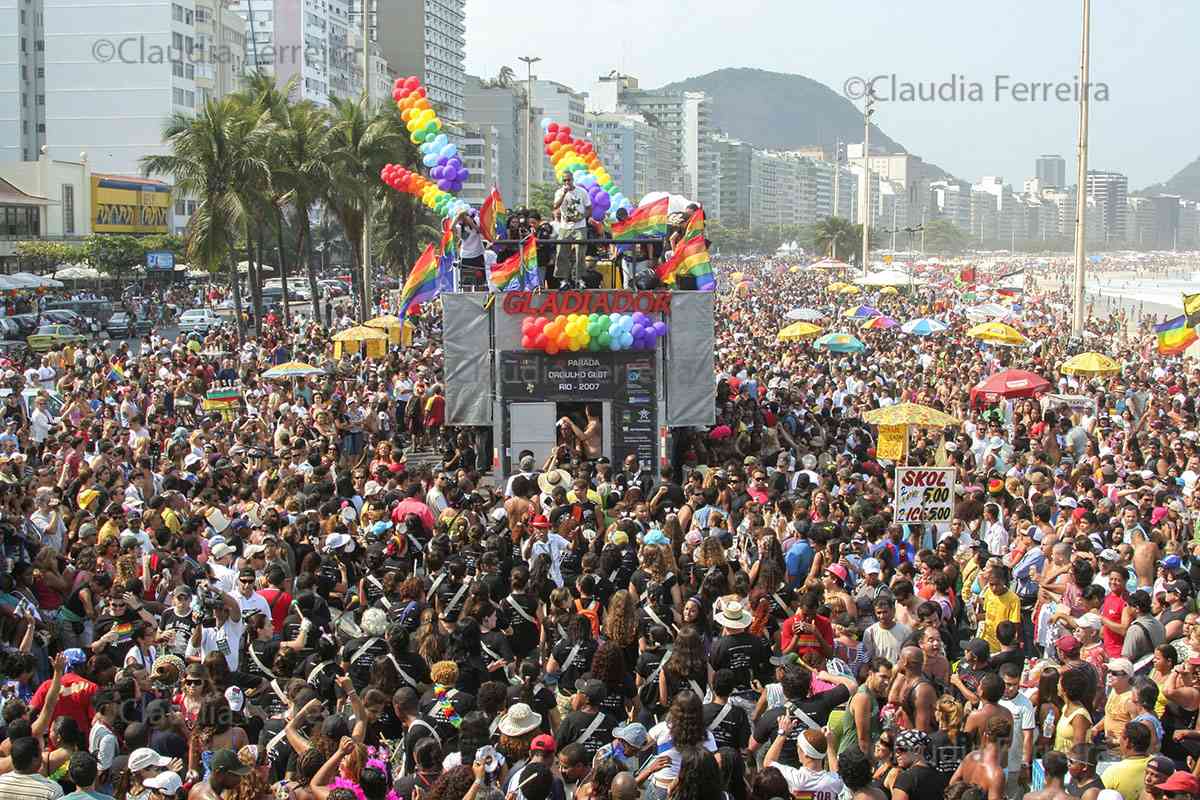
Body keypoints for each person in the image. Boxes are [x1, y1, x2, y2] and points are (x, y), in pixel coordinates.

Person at [950, 715, 1012, 800]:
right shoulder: (997, 774)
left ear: (985, 736)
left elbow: (952, 783)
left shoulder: (970, 756)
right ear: (1007, 742)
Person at [552, 172, 591, 287]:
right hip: (565, 227)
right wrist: (564, 194)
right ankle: (564, 280)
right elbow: (555, 206)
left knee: (580, 253)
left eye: (568, 180)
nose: (567, 182)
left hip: (580, 226)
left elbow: (589, 209)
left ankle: (579, 279)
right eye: (564, 180)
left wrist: (581, 217)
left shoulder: (582, 192)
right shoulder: (559, 192)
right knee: (561, 252)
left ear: (573, 180)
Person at [1100, 721, 1152, 800]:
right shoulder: (1160, 765)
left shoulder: (1113, 772)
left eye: (1121, 736)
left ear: (1127, 742)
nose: (1118, 740)